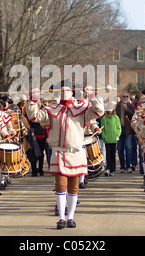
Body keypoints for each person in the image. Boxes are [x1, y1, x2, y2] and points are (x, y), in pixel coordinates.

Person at [26, 80, 104, 229]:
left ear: (72, 91)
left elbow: (98, 112)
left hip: (76, 153)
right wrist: (33, 99)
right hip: (59, 153)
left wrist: (92, 95)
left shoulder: (82, 108)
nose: (64, 92)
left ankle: (71, 217)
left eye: (67, 90)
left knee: (74, 188)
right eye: (61, 90)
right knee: (60, 186)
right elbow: (34, 116)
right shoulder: (51, 109)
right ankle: (61, 217)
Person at [115, 91, 135, 173]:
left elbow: (133, 115)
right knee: (120, 149)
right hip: (119, 130)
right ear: (120, 97)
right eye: (123, 96)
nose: (125, 98)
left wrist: (126, 109)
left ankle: (128, 166)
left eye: (127, 96)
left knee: (128, 148)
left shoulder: (130, 106)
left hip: (128, 131)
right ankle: (122, 167)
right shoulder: (117, 106)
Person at [101, 105, 121, 176]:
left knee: (113, 155)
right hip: (107, 139)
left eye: (111, 108)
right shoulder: (104, 118)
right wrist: (104, 136)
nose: (109, 110)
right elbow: (102, 128)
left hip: (114, 139)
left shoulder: (116, 118)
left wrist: (117, 135)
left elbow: (119, 128)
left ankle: (113, 169)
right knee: (108, 154)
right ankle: (108, 168)